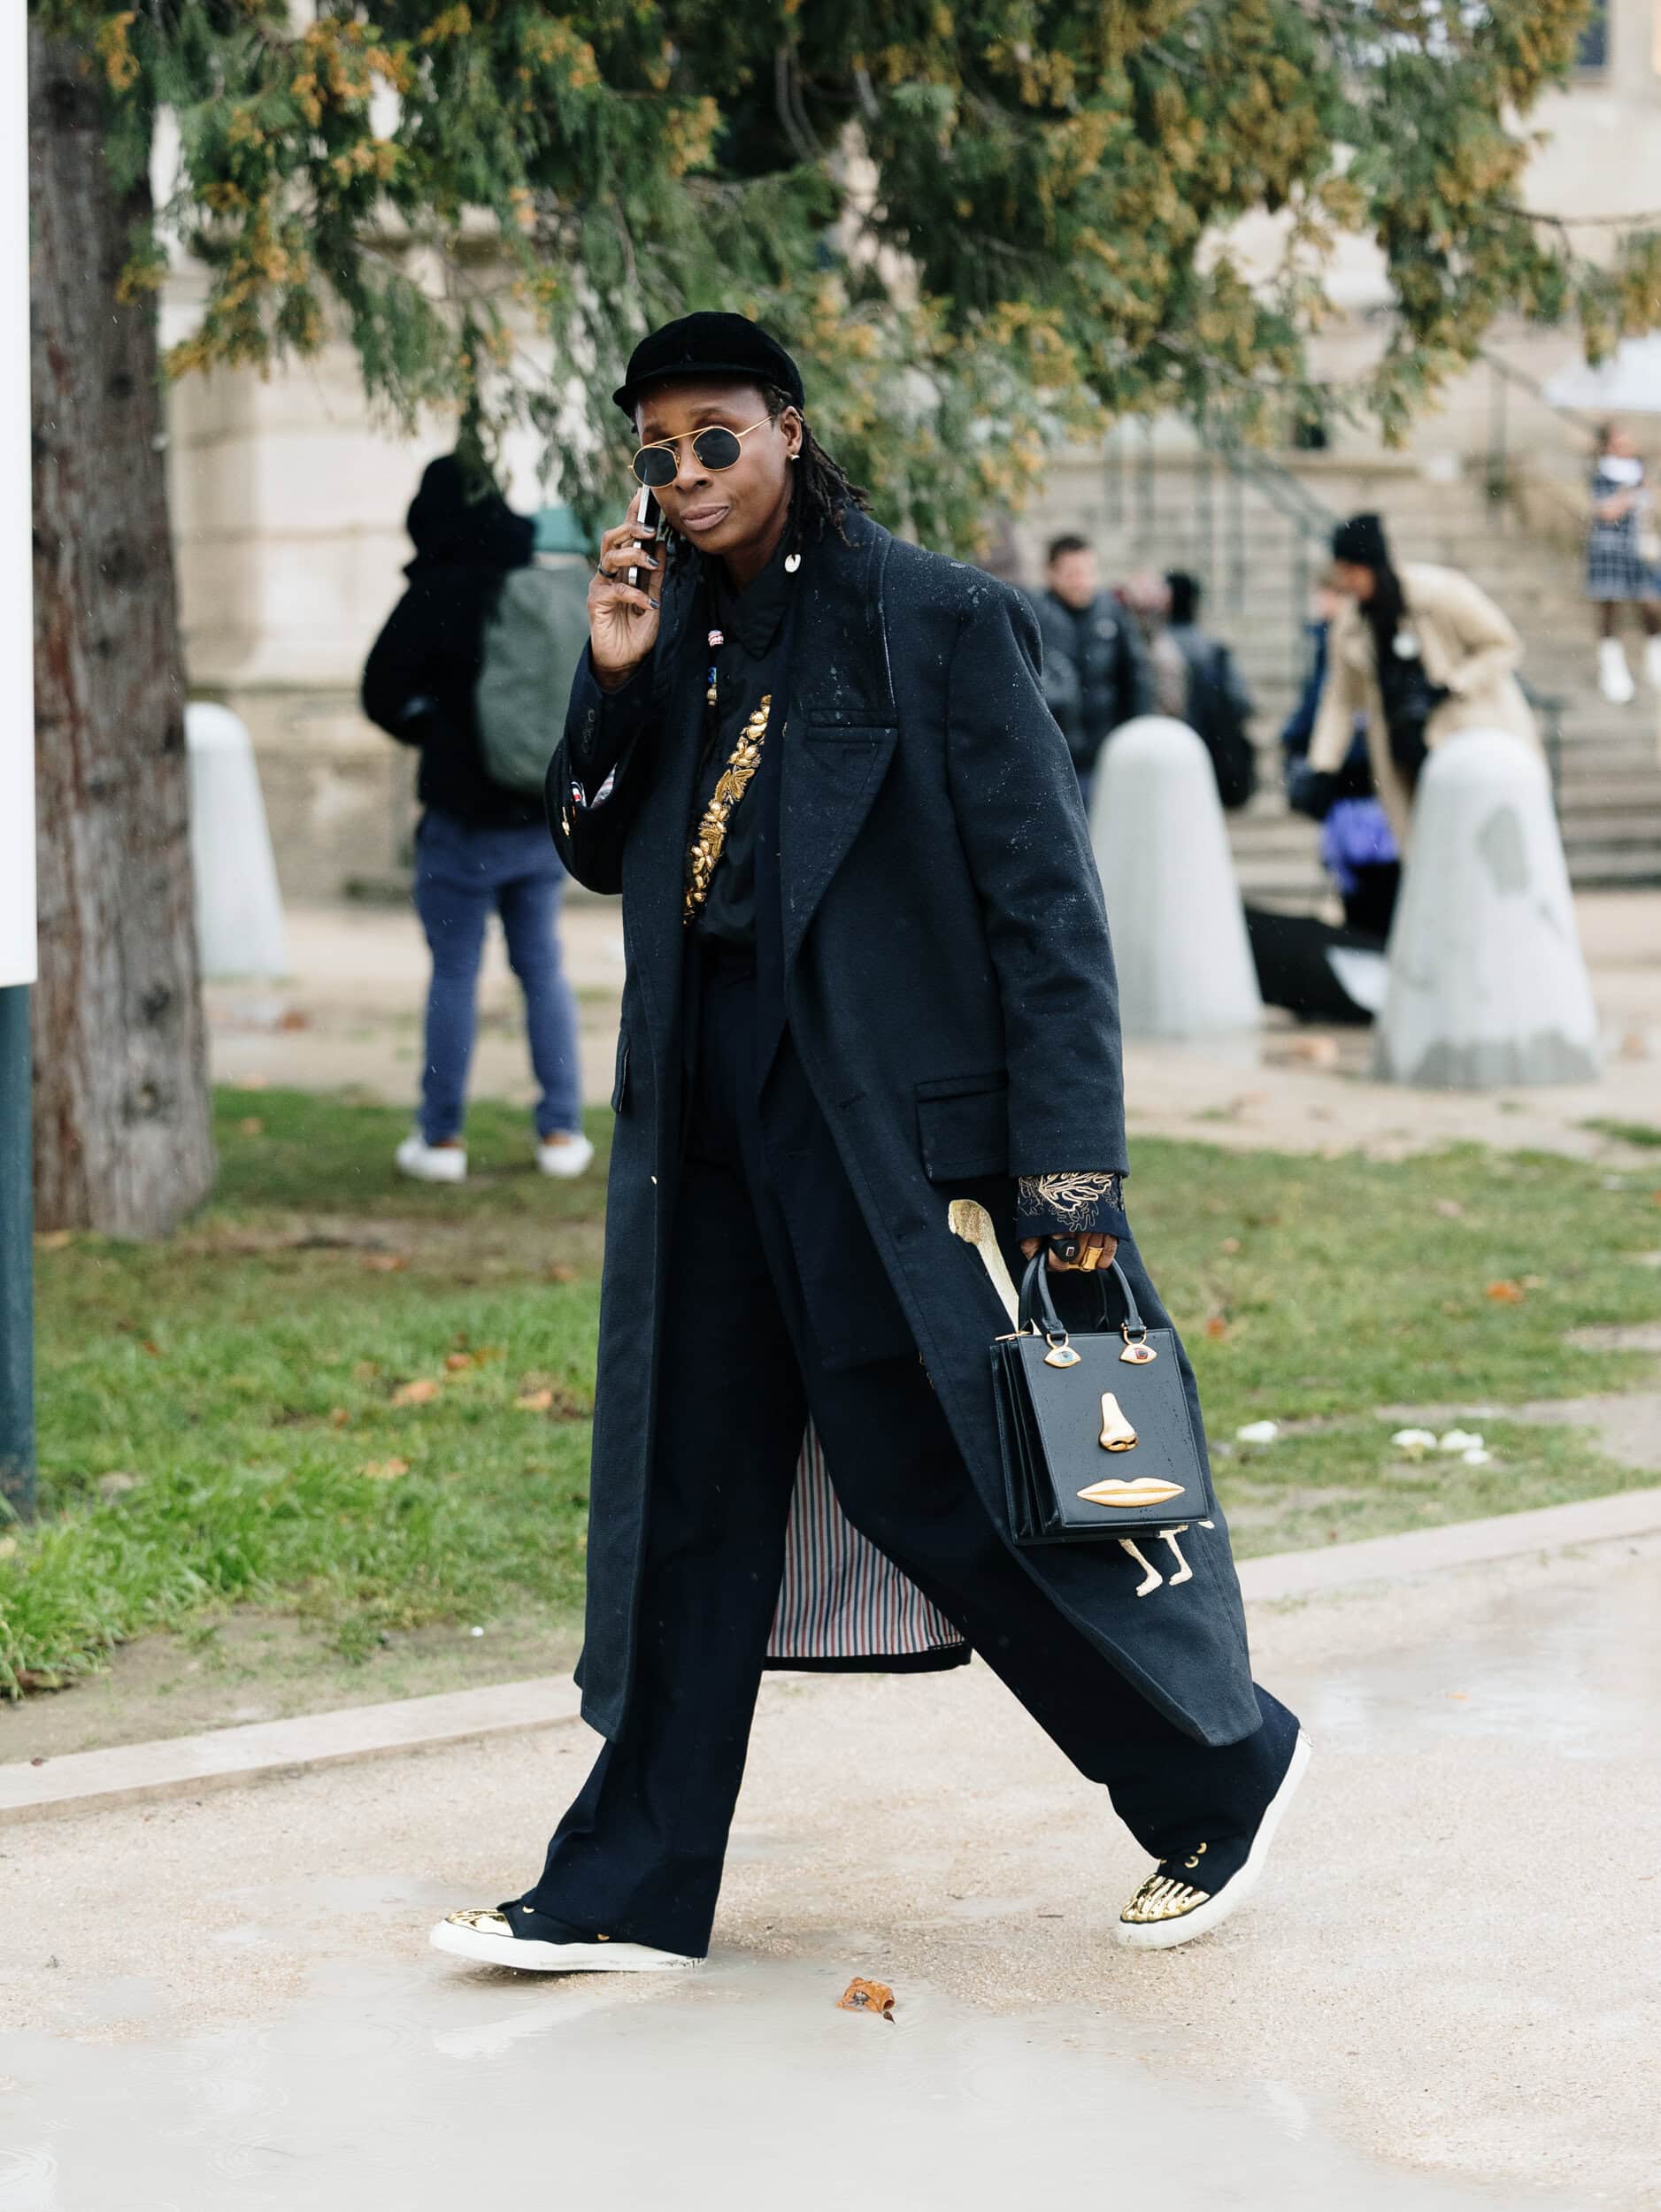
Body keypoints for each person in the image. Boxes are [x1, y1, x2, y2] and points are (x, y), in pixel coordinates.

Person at [429, 312, 1307, 1977]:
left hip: (886, 1140)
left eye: (715, 439)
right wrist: (610, 678)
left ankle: (1220, 1764)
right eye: (659, 450)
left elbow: (1050, 916)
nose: (686, 477)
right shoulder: (670, 635)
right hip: (710, 1124)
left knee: (944, 1486)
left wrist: (1068, 1185)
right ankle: (626, 1882)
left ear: (788, 429)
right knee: (691, 1492)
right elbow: (597, 852)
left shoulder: (938, 622)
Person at [362, 455, 592, 1186]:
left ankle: (442, 1141)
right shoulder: (538, 579)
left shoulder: (436, 589)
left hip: (462, 821)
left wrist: (435, 732)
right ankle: (562, 1134)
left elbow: (380, 691)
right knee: (543, 969)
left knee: (455, 974)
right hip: (538, 814)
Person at [1309, 511, 1536, 845]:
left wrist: (1451, 685)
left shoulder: (1441, 593)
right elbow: (1341, 698)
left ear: (1370, 564)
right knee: (1430, 848)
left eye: (1351, 570)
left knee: (1478, 841)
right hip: (1404, 753)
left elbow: (1503, 645)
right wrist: (1323, 764)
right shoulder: (1351, 626)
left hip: (1464, 739)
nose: (1347, 581)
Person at [1282, 582, 1400, 938]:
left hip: (1362, 777)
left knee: (1371, 876)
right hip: (1351, 778)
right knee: (1361, 876)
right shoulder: (1328, 639)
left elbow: (1332, 703)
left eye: (1327, 594)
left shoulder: (1351, 637)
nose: (1320, 601)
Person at [1027, 534, 1149, 803]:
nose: (1082, 582)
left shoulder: (1113, 613)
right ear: (1051, 573)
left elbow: (1136, 677)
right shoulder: (1036, 615)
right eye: (1072, 574)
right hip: (1054, 758)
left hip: (1106, 754)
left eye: (1088, 572)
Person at [1162, 572, 1257, 810]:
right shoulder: (1213, 649)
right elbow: (1241, 701)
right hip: (1212, 750)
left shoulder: (1156, 649)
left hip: (1171, 751)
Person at [1585, 422, 1661, 704]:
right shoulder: (1601, 473)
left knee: (1650, 604)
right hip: (1609, 549)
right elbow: (1605, 511)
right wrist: (1630, 492)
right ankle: (1611, 666)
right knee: (1610, 606)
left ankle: (1654, 658)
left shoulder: (1639, 470)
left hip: (1637, 549)